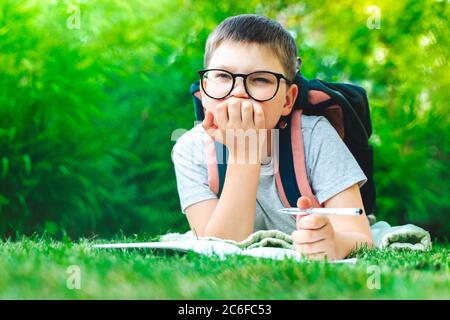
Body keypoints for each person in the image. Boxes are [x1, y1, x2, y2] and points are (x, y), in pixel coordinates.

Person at [171, 14, 373, 260]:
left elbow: (359, 237)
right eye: (223, 76)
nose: (239, 92)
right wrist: (245, 152)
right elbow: (217, 248)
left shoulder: (315, 137)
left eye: (260, 79)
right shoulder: (190, 150)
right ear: (204, 91)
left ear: (287, 100)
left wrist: (333, 243)